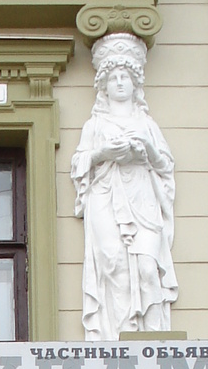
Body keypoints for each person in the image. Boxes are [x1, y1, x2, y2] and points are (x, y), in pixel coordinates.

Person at [71, 32, 178, 340]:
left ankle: (153, 338)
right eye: (114, 77)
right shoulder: (95, 126)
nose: (119, 82)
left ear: (135, 83)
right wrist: (104, 153)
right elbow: (79, 164)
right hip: (105, 196)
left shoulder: (147, 125)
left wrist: (146, 151)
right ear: (103, 85)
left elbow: (165, 165)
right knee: (112, 264)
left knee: (147, 268)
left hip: (141, 198)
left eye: (125, 77)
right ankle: (114, 336)